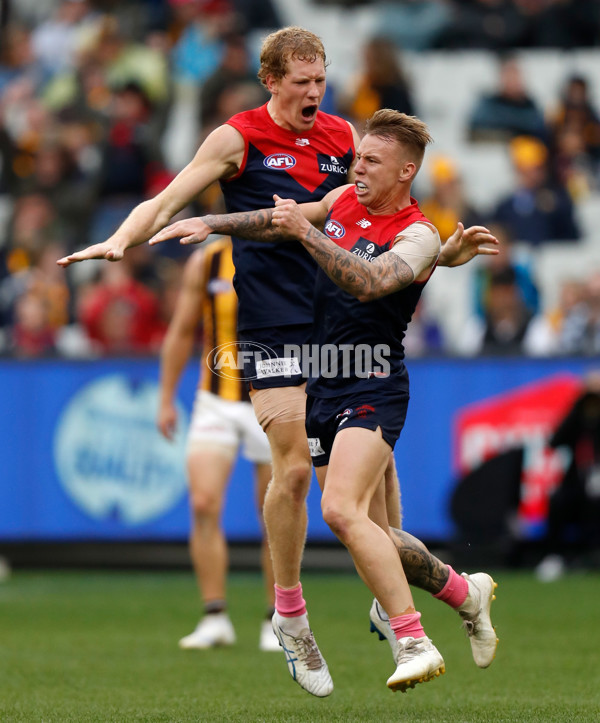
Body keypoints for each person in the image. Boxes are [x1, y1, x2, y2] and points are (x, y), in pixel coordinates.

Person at [57, 29, 497, 698]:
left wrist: (437, 254)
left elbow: (384, 216)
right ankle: (290, 616)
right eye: (301, 82)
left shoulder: (346, 139)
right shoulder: (238, 137)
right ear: (271, 82)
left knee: (370, 519)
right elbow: (172, 197)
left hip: (342, 330)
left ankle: (458, 591)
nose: (315, 93)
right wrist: (122, 238)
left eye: (321, 80)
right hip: (270, 327)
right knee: (294, 471)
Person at [148, 109, 500, 694]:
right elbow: (279, 220)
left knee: (338, 509)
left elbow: (369, 280)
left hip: (374, 382)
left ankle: (411, 638)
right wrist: (213, 220)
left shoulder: (419, 234)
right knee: (376, 533)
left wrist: (306, 232)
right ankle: (465, 593)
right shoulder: (341, 201)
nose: (356, 168)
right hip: (323, 382)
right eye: (357, 157)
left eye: (372, 162)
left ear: (407, 172)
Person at [157, 238, 278, 651]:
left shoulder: (288, 250)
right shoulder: (207, 261)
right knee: (203, 503)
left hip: (274, 396)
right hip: (216, 400)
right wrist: (166, 399)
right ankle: (214, 616)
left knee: (275, 515)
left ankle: (276, 617)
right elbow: (181, 331)